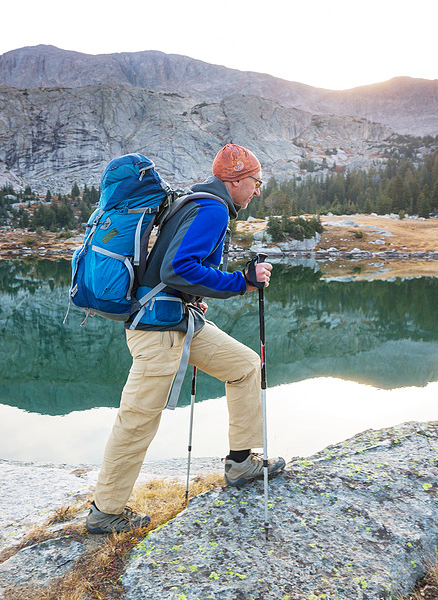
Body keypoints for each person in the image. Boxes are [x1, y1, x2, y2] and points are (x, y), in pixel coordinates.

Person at [86, 143, 287, 534]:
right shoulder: (212, 209)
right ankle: (105, 512)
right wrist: (241, 282)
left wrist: (194, 299)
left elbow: (174, 271)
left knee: (244, 365)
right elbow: (178, 268)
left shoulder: (196, 202)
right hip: (158, 332)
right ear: (236, 179)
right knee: (138, 421)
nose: (258, 191)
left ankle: (241, 462)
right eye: (256, 182)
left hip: (179, 320)